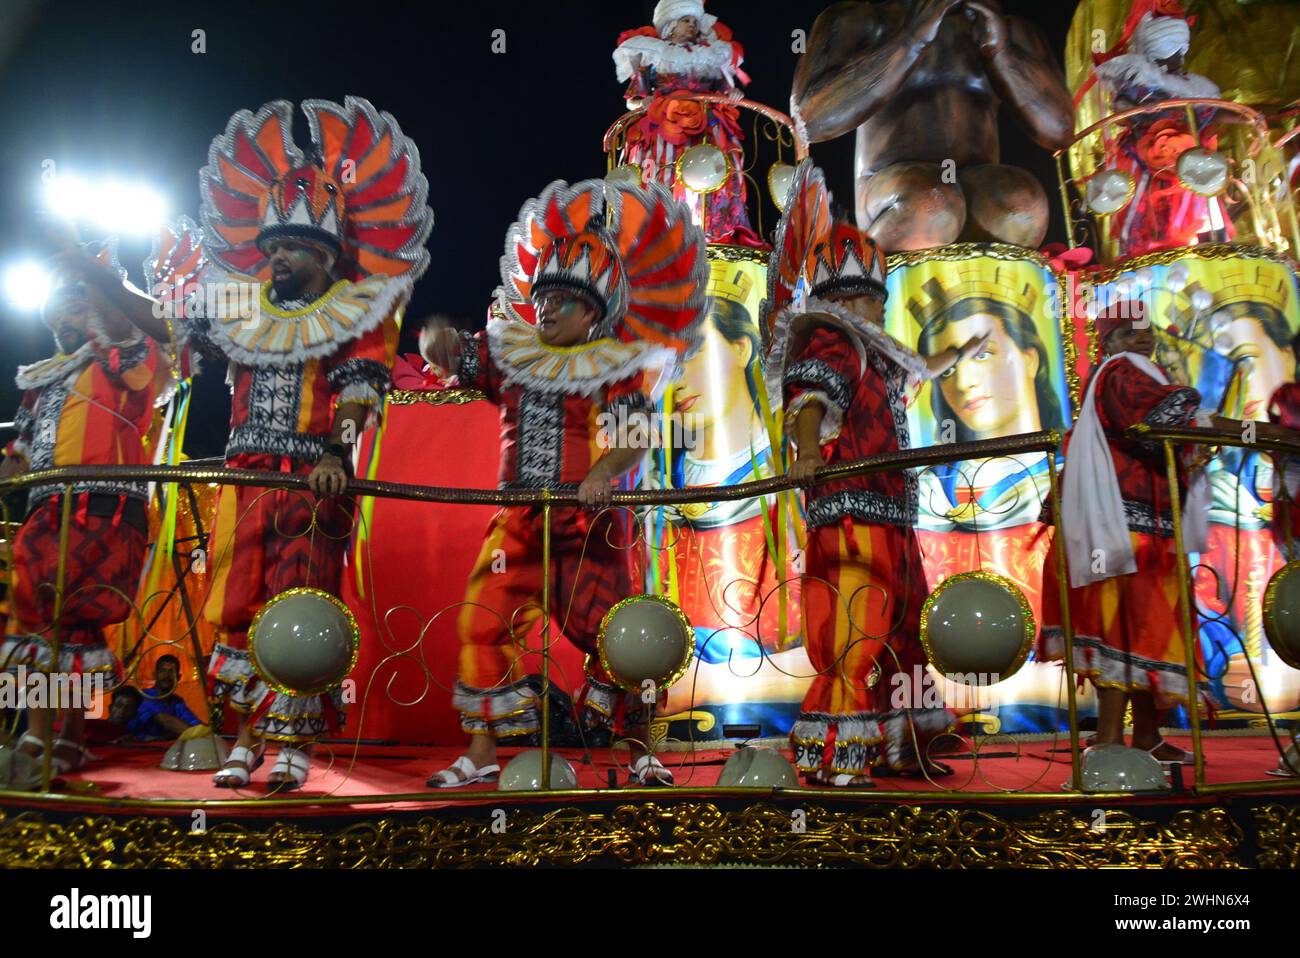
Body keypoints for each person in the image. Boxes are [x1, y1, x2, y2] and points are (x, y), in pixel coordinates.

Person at [133, 98, 432, 791]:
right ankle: (243, 737)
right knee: (236, 607)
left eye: (291, 250)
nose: (276, 261)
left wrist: (336, 454)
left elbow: (361, 394)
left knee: (300, 603)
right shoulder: (242, 305)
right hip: (245, 478)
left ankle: (295, 745)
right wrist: (92, 277)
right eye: (270, 250)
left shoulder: (356, 309)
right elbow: (168, 326)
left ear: (323, 252)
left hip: (311, 480)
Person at [421, 179, 707, 788]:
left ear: (594, 312)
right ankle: (481, 753)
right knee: (479, 623)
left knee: (621, 640)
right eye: (542, 297)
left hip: (589, 526)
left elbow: (633, 439)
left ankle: (640, 753)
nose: (546, 309)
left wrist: (603, 475)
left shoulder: (617, 365)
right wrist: (436, 341)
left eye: (562, 302)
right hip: (519, 525)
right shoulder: (510, 356)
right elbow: (448, 354)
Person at [765, 162, 987, 785]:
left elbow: (920, 365)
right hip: (850, 508)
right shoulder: (835, 342)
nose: (874, 308)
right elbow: (809, 402)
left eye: (878, 299)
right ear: (838, 302)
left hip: (892, 511)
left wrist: (960, 354)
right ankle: (839, 752)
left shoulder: (881, 357)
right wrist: (808, 454)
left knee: (905, 630)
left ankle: (904, 745)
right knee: (854, 627)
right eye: (865, 298)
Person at [1037, 302, 1265, 762]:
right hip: (1123, 531)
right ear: (1110, 342)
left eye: (1145, 330)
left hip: (1142, 527)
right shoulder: (1122, 372)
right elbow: (1158, 422)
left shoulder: (1136, 372)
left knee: (1145, 634)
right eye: (1128, 331)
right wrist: (1224, 426)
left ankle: (1145, 736)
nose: (1141, 339)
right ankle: (1106, 742)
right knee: (1124, 632)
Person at [0, 241, 176, 778]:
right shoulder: (44, 379)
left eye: (75, 308)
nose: (64, 321)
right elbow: (20, 451)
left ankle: (67, 740)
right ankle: (39, 734)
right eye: (57, 314)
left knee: (73, 620)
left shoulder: (127, 360)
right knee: (32, 619)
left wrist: (94, 277)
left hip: (101, 507)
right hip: (45, 508)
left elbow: (128, 342)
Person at [791, 0, 1073, 252]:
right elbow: (810, 120)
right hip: (893, 191)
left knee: (1023, 204)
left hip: (976, 188)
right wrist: (910, 40)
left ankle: (994, 299)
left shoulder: (1006, 28)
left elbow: (1061, 130)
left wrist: (1001, 52)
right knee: (930, 203)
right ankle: (872, 288)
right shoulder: (859, 19)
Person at [913, 284, 1067, 624]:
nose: (964, 382)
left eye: (982, 355)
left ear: (1029, 359)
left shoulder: (1063, 475)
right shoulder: (931, 487)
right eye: (949, 369)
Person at [612, 0, 757, 245]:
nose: (692, 26)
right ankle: (662, 230)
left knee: (718, 169)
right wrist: (643, 103)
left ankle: (714, 231)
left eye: (694, 21)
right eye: (685, 21)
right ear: (670, 25)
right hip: (664, 128)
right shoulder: (653, 56)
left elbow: (725, 91)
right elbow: (632, 100)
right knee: (662, 174)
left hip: (706, 128)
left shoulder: (710, 56)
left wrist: (732, 95)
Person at [1091, 5, 1230, 257]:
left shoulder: (1194, 86)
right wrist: (1142, 109)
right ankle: (1141, 254)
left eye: (1181, 51)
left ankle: (1203, 250)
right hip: (1146, 155)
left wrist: (1248, 116)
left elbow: (1211, 112)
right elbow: (1121, 103)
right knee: (1144, 207)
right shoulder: (1142, 79)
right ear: (1157, 53)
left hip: (1187, 160)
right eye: (1173, 52)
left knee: (1194, 203)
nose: (1179, 58)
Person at [112, 655, 201, 740]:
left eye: (171, 672)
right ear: (154, 675)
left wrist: (204, 732)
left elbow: (195, 724)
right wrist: (200, 737)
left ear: (178, 677)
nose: (166, 675)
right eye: (162, 671)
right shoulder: (143, 696)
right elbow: (165, 720)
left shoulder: (177, 702)